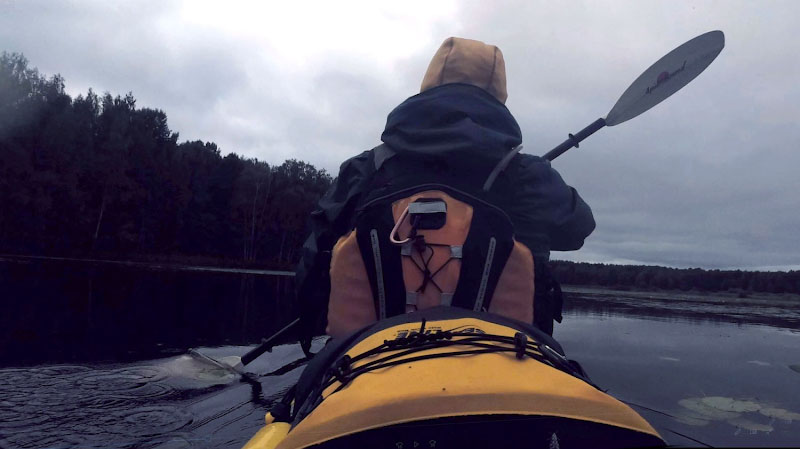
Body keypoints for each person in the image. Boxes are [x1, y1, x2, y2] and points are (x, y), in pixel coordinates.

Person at [295, 37, 594, 350]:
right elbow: (577, 231)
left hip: (364, 358)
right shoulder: (529, 175)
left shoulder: (365, 169)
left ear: (429, 84)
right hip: (509, 357)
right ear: (499, 95)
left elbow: (313, 266)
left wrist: (310, 322)